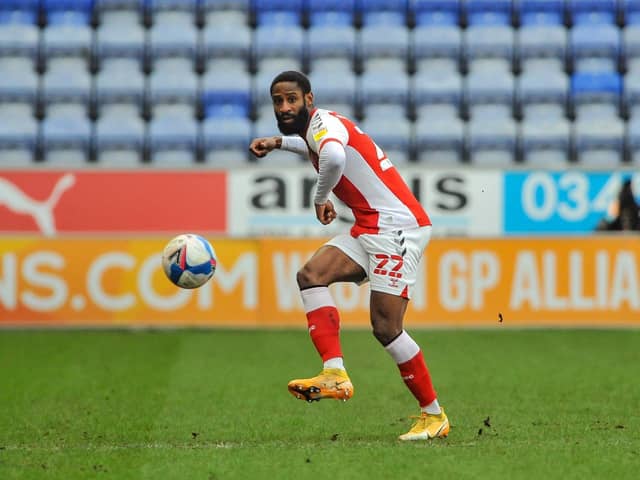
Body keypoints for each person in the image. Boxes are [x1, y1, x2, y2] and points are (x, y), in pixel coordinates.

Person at [249, 71, 449, 441]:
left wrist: (320, 197)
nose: (284, 106)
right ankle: (334, 372)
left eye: (292, 99)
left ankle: (433, 416)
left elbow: (335, 158)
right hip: (369, 226)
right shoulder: (318, 129)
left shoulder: (325, 127)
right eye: (278, 101)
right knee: (311, 275)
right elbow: (316, 147)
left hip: (395, 228)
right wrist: (278, 142)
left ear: (309, 99)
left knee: (386, 328)